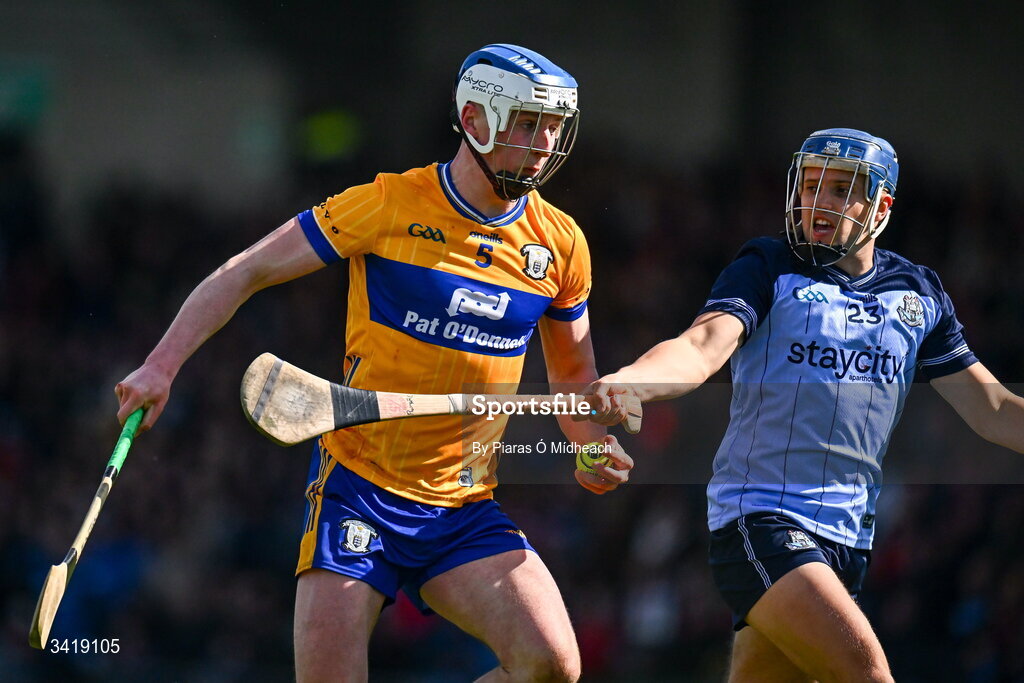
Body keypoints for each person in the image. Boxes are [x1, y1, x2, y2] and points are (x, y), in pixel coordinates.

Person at [115, 43, 633, 682]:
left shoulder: (560, 244)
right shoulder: (389, 204)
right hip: (358, 490)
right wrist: (160, 367)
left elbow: (574, 382)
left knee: (552, 666)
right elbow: (247, 270)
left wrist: (590, 447)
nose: (547, 141)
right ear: (475, 122)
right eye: (529, 122)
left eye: (554, 125)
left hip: (463, 507)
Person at [583, 128, 1024, 681]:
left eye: (841, 189)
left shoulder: (919, 294)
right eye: (810, 184)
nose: (819, 201)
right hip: (760, 520)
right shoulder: (767, 265)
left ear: (881, 205)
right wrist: (633, 381)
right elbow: (701, 345)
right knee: (866, 673)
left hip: (849, 539)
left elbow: (993, 408)